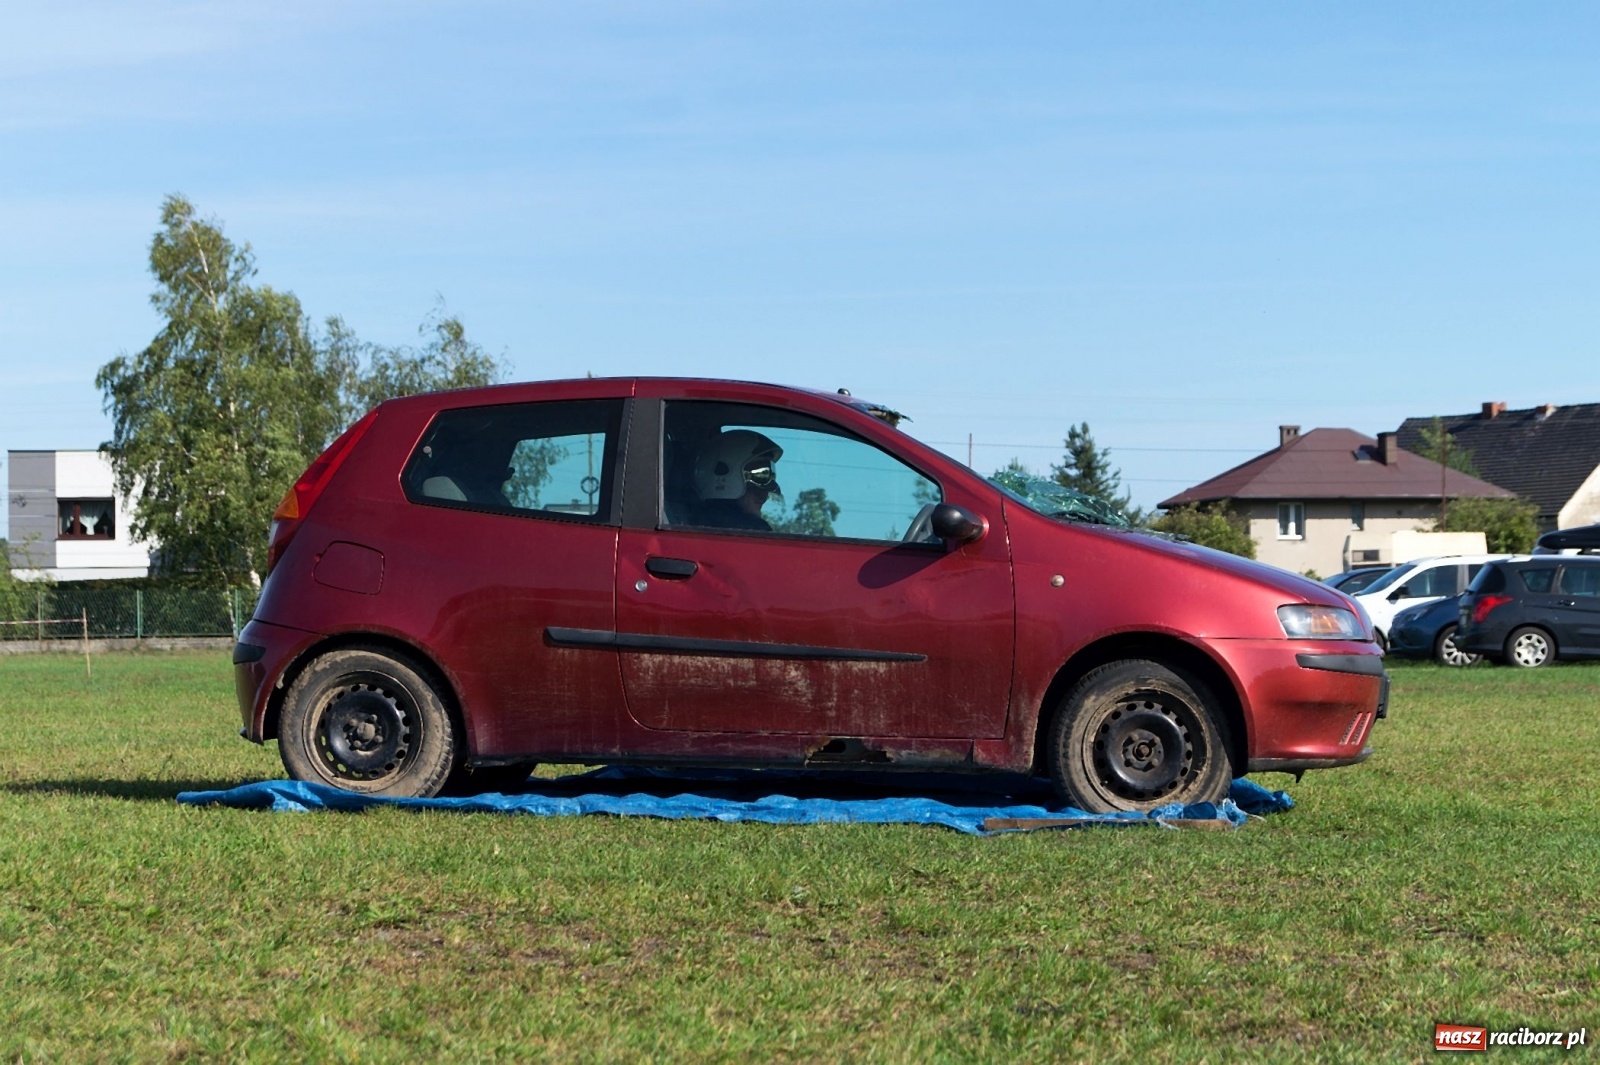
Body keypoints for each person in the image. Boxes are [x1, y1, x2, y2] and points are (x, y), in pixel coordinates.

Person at [692, 429, 783, 531]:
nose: (763, 496)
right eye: (756, 477)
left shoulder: (695, 524)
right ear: (723, 475)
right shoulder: (751, 534)